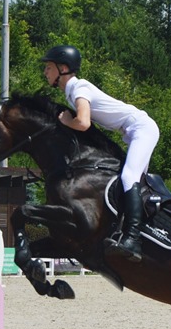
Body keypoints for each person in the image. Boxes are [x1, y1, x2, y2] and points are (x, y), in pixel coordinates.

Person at [41, 44, 160, 262]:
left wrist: (68, 120)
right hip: (133, 131)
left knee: (128, 177)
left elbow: (83, 123)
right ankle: (137, 233)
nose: (45, 72)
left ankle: (132, 239)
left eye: (48, 67)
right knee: (134, 184)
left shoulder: (79, 88)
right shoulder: (72, 92)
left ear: (63, 68)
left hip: (141, 128)